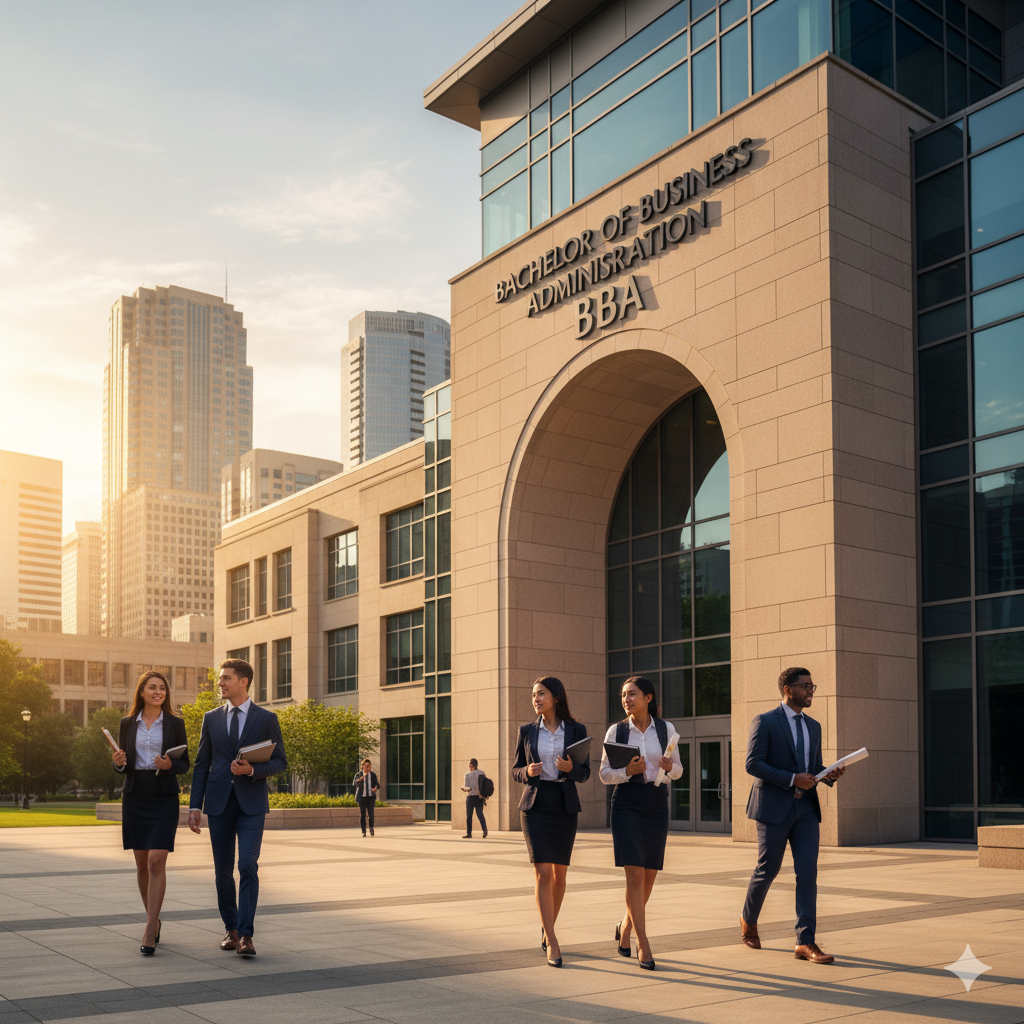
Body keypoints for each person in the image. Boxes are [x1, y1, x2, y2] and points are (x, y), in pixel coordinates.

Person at [740, 667, 845, 964]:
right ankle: (748, 919)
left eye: (813, 685)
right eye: (805, 686)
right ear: (788, 689)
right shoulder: (765, 721)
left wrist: (829, 775)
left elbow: (813, 766)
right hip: (773, 808)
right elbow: (753, 764)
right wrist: (791, 779)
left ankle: (805, 941)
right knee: (768, 869)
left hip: (806, 810)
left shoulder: (814, 726)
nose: (811, 690)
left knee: (807, 874)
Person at [188, 659, 287, 957]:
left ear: (243, 682)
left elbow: (280, 761)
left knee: (247, 865)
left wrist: (253, 772)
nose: (220, 683)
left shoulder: (266, 718)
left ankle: (246, 935)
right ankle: (230, 928)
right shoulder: (211, 718)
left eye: (226, 678)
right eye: (220, 679)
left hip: (251, 805)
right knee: (222, 872)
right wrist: (195, 805)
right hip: (218, 804)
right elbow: (202, 764)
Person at [599, 675, 683, 971]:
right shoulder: (617, 730)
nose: (626, 699)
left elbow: (679, 771)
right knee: (634, 875)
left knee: (649, 877)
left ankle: (624, 928)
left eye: (632, 694)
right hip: (626, 803)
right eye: (623, 695)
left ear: (648, 697)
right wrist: (626, 770)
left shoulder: (666, 728)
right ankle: (643, 943)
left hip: (656, 803)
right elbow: (604, 774)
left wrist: (671, 767)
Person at [511, 676, 591, 968]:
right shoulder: (526, 731)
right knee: (543, 873)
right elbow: (515, 769)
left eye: (541, 693)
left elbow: (585, 773)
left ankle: (547, 928)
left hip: (564, 806)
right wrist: (527, 772)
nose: (535, 699)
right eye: (533, 695)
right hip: (535, 806)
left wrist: (571, 769)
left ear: (556, 697)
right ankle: (553, 940)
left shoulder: (577, 730)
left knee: (560, 875)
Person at [111, 670, 190, 956]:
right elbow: (122, 764)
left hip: (163, 796)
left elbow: (185, 764)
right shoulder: (127, 724)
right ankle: (154, 920)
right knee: (143, 865)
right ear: (141, 692)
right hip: (136, 795)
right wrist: (117, 762)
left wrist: (170, 765)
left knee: (157, 862)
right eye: (152, 687)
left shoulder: (175, 723)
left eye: (162, 688)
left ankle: (148, 928)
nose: (158, 692)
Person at [461, 758, 488, 838]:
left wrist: (463, 788)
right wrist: (483, 794)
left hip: (470, 797)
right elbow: (485, 785)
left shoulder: (467, 775)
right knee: (480, 814)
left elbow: (466, 788)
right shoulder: (481, 773)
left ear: (471, 765)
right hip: (479, 797)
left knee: (469, 816)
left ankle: (469, 833)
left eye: (469, 763)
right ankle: (485, 830)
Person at [353, 759, 379, 837]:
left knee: (371, 813)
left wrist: (375, 788)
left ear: (370, 766)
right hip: (362, 798)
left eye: (368, 765)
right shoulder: (359, 774)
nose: (367, 767)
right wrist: (360, 779)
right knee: (363, 814)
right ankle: (363, 831)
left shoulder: (373, 775)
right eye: (365, 765)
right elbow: (354, 784)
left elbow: (377, 784)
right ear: (362, 766)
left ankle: (371, 827)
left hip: (371, 797)